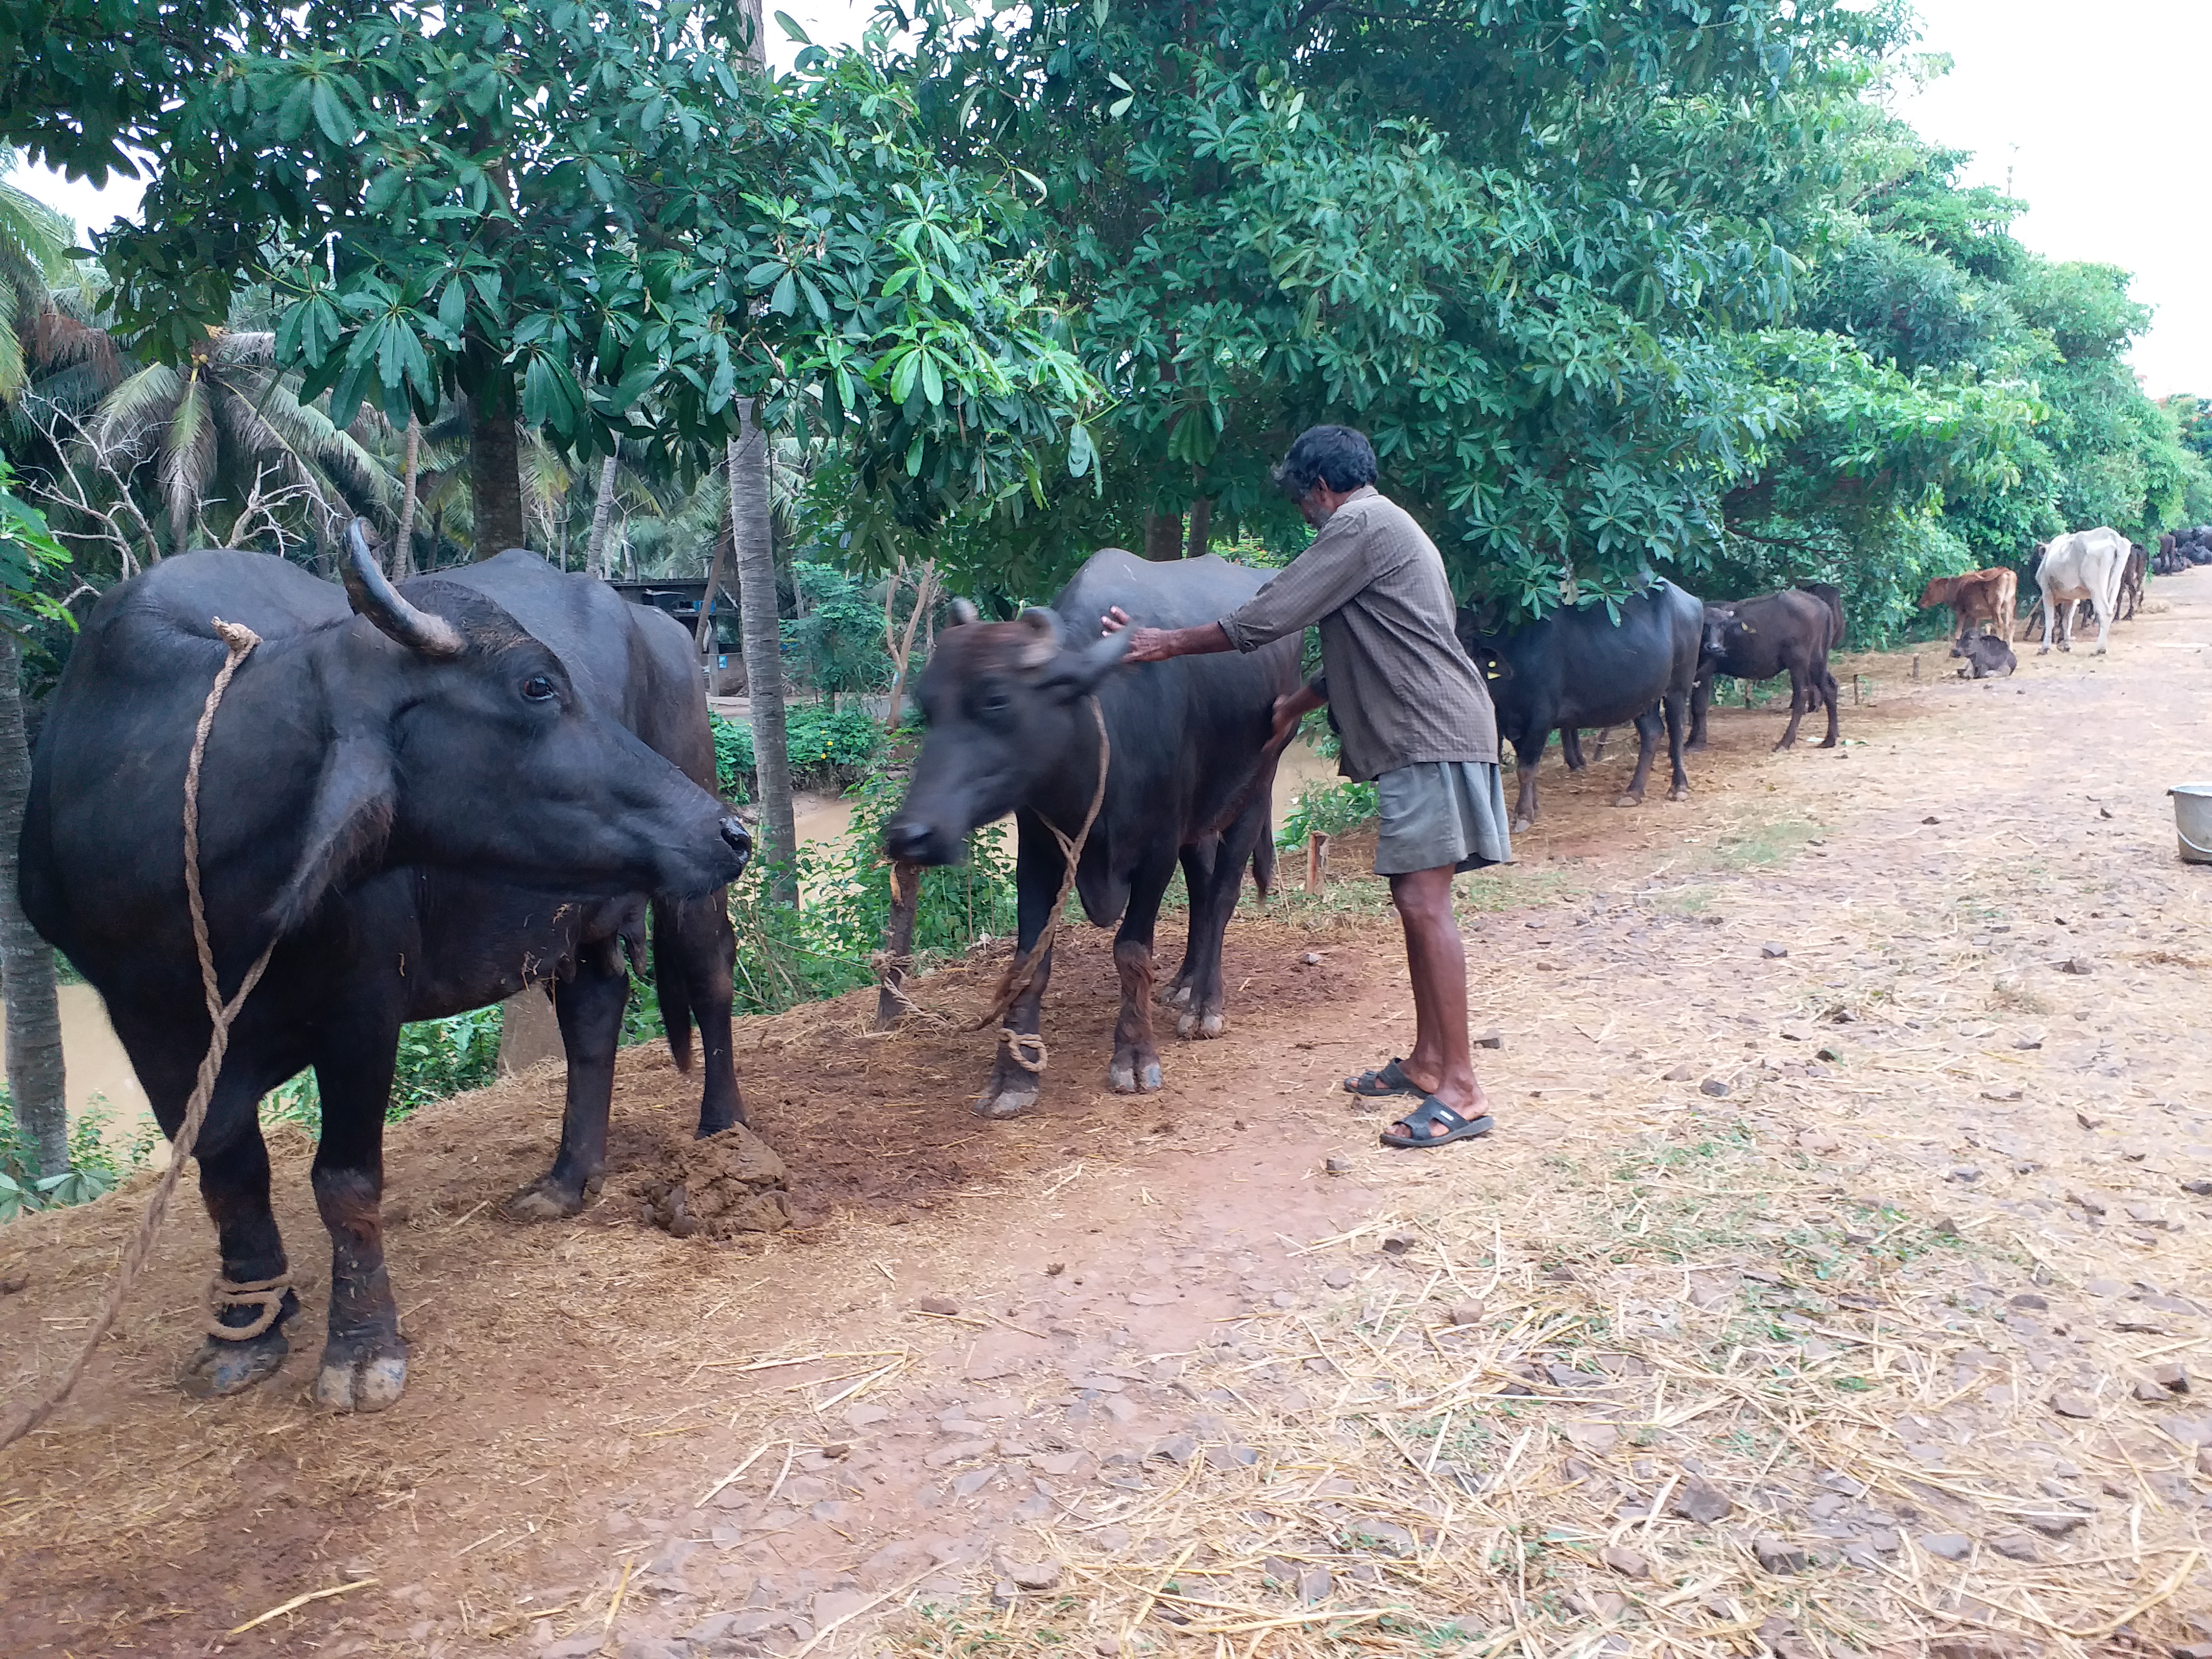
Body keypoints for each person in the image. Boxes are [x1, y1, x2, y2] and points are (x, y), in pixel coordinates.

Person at [1102, 425, 1510, 1148]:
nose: (1304, 514)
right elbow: (1394, 636)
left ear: (1321, 489)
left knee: (1425, 901)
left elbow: (1267, 616)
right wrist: (1304, 698)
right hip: (1427, 732)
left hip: (1430, 735)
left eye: (1302, 501)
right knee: (1413, 899)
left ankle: (1463, 1090)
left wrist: (1165, 642)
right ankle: (1426, 1063)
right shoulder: (1392, 530)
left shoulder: (1360, 524)